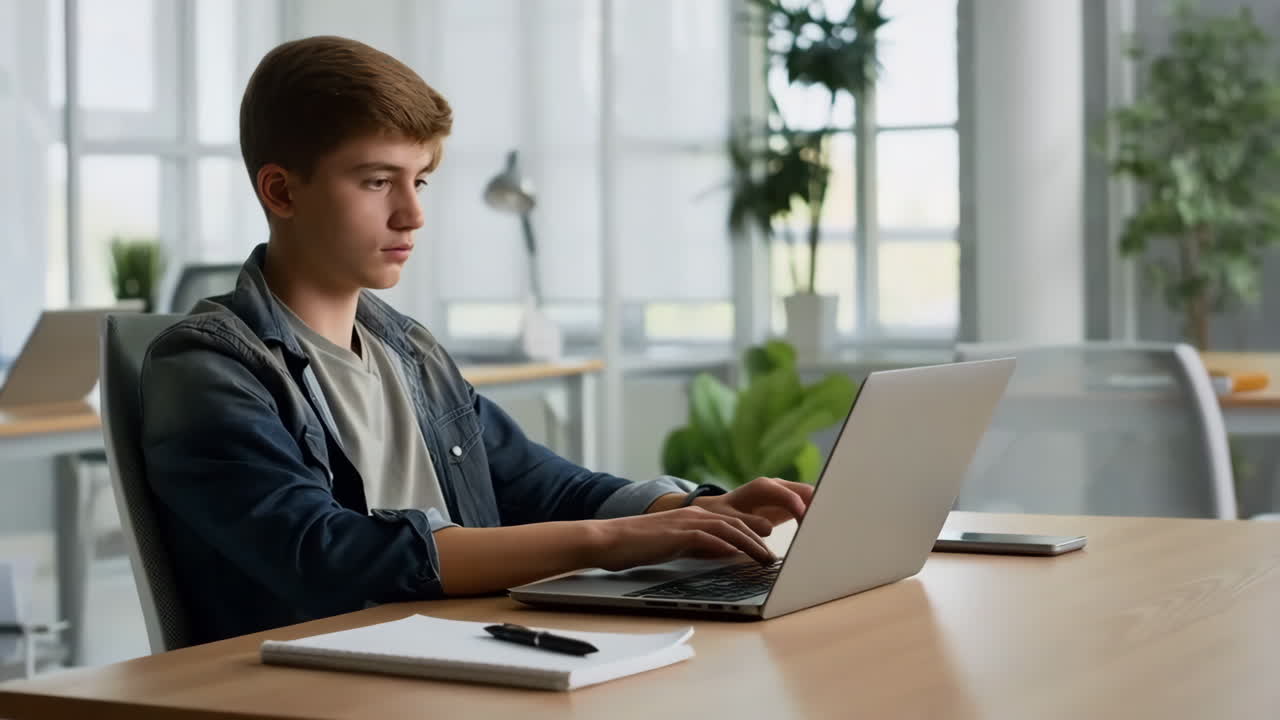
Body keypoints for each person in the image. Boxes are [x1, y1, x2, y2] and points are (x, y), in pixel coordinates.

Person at [140, 35, 812, 645]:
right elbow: (326, 553)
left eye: (420, 180)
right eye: (378, 182)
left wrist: (689, 511)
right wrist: (612, 541)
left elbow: (538, 485)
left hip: (460, 649)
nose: (413, 214)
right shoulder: (206, 366)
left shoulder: (407, 349)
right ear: (281, 191)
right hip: (320, 680)